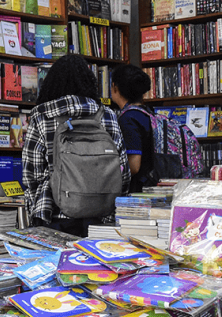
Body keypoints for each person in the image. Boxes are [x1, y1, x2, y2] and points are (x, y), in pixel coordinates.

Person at [21, 54, 130, 235]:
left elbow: (31, 175)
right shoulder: (107, 115)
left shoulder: (41, 117)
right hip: (101, 216)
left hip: (55, 216)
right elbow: (123, 170)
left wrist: (38, 206)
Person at [110, 64, 155, 192]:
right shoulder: (148, 113)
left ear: (115, 87)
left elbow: (134, 166)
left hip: (139, 192)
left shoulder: (128, 119)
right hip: (155, 185)